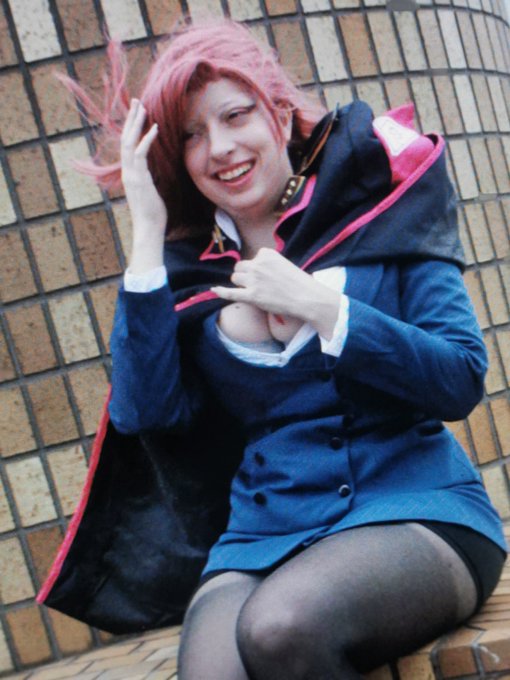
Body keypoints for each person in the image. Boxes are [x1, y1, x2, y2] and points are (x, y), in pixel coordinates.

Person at [40, 19, 506, 679]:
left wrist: (322, 307)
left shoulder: (382, 204)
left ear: (280, 114)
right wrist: (146, 236)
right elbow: (145, 412)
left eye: (236, 116)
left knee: (279, 628)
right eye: (192, 134)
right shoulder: (188, 270)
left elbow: (459, 377)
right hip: (264, 536)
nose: (220, 147)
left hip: (414, 508)